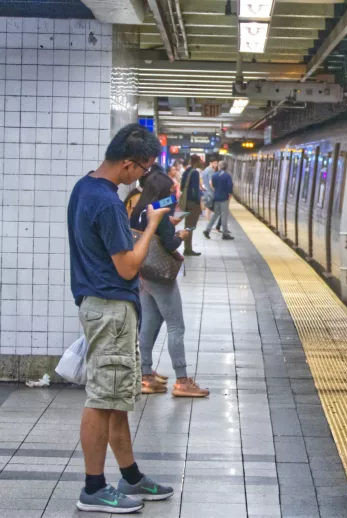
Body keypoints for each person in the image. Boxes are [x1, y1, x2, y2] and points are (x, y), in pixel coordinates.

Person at [67, 124, 175, 513]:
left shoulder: (85, 188)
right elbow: (128, 267)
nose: (142, 177)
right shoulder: (108, 203)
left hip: (100, 304)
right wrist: (151, 228)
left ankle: (130, 476)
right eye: (143, 170)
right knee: (102, 400)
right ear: (128, 164)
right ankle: (93, 489)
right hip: (111, 308)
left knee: (114, 398)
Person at [130, 164, 210, 397]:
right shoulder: (160, 212)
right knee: (176, 327)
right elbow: (170, 244)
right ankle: (183, 381)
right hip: (160, 276)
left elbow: (148, 231)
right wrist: (180, 235)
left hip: (143, 272)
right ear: (162, 192)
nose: (172, 195)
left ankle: (145, 376)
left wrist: (168, 227)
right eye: (170, 191)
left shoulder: (140, 209)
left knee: (149, 323)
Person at [179, 155, 203, 256]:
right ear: (197, 161)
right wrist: (198, 201)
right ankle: (188, 249)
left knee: (188, 225)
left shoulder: (186, 171)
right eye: (200, 161)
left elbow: (181, 187)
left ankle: (187, 247)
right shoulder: (195, 172)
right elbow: (195, 190)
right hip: (193, 203)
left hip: (186, 202)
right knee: (190, 226)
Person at [204, 161, 234, 240]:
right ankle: (225, 234)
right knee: (224, 215)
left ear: (219, 167)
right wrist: (229, 193)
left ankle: (207, 230)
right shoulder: (227, 176)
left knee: (215, 214)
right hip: (224, 198)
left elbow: (213, 185)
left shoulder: (214, 175)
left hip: (216, 197)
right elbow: (230, 186)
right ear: (226, 167)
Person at [201, 157, 218, 222]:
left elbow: (203, 181)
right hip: (210, 192)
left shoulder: (205, 169)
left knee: (208, 208)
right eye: (215, 163)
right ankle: (209, 223)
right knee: (209, 208)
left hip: (206, 191)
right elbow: (211, 182)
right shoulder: (211, 170)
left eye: (217, 163)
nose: (216, 165)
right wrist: (215, 190)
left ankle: (208, 223)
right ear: (210, 163)